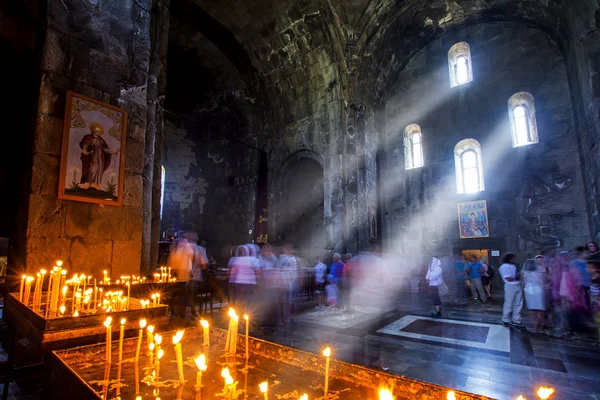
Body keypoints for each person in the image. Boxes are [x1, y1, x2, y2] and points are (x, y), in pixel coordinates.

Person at [79, 123, 119, 190]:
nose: (98, 132)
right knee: (92, 168)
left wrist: (113, 151)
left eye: (99, 131)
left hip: (100, 158)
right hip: (92, 156)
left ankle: (96, 184)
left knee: (99, 170)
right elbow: (84, 145)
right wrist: (85, 150)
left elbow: (105, 149)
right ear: (93, 130)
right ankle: (88, 183)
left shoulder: (101, 140)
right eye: (97, 131)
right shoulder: (88, 137)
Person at [499, 252, 524, 328]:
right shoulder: (504, 266)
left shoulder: (513, 266)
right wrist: (516, 277)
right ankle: (505, 319)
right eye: (513, 258)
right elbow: (508, 278)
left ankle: (516, 319)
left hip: (517, 284)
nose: (514, 260)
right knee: (509, 302)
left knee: (518, 303)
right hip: (510, 285)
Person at [522, 259, 546, 332]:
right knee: (540, 309)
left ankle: (534, 327)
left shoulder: (524, 273)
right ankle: (540, 323)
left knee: (532, 311)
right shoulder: (538, 272)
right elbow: (542, 282)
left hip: (529, 291)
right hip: (538, 290)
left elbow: (523, 283)